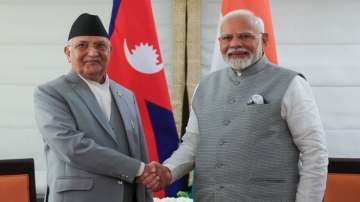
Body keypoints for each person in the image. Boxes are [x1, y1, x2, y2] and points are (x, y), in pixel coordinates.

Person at [139, 9, 328, 202]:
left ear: (264, 40)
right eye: (227, 37)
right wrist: (169, 171)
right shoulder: (204, 87)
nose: (235, 43)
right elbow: (192, 144)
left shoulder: (291, 83)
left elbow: (315, 153)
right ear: (220, 43)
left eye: (245, 36)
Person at [34, 13, 156, 202]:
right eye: (82, 45)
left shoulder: (127, 96)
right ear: (68, 52)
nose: (93, 52)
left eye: (100, 45)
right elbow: (73, 148)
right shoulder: (51, 93)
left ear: (110, 51)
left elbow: (140, 152)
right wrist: (139, 170)